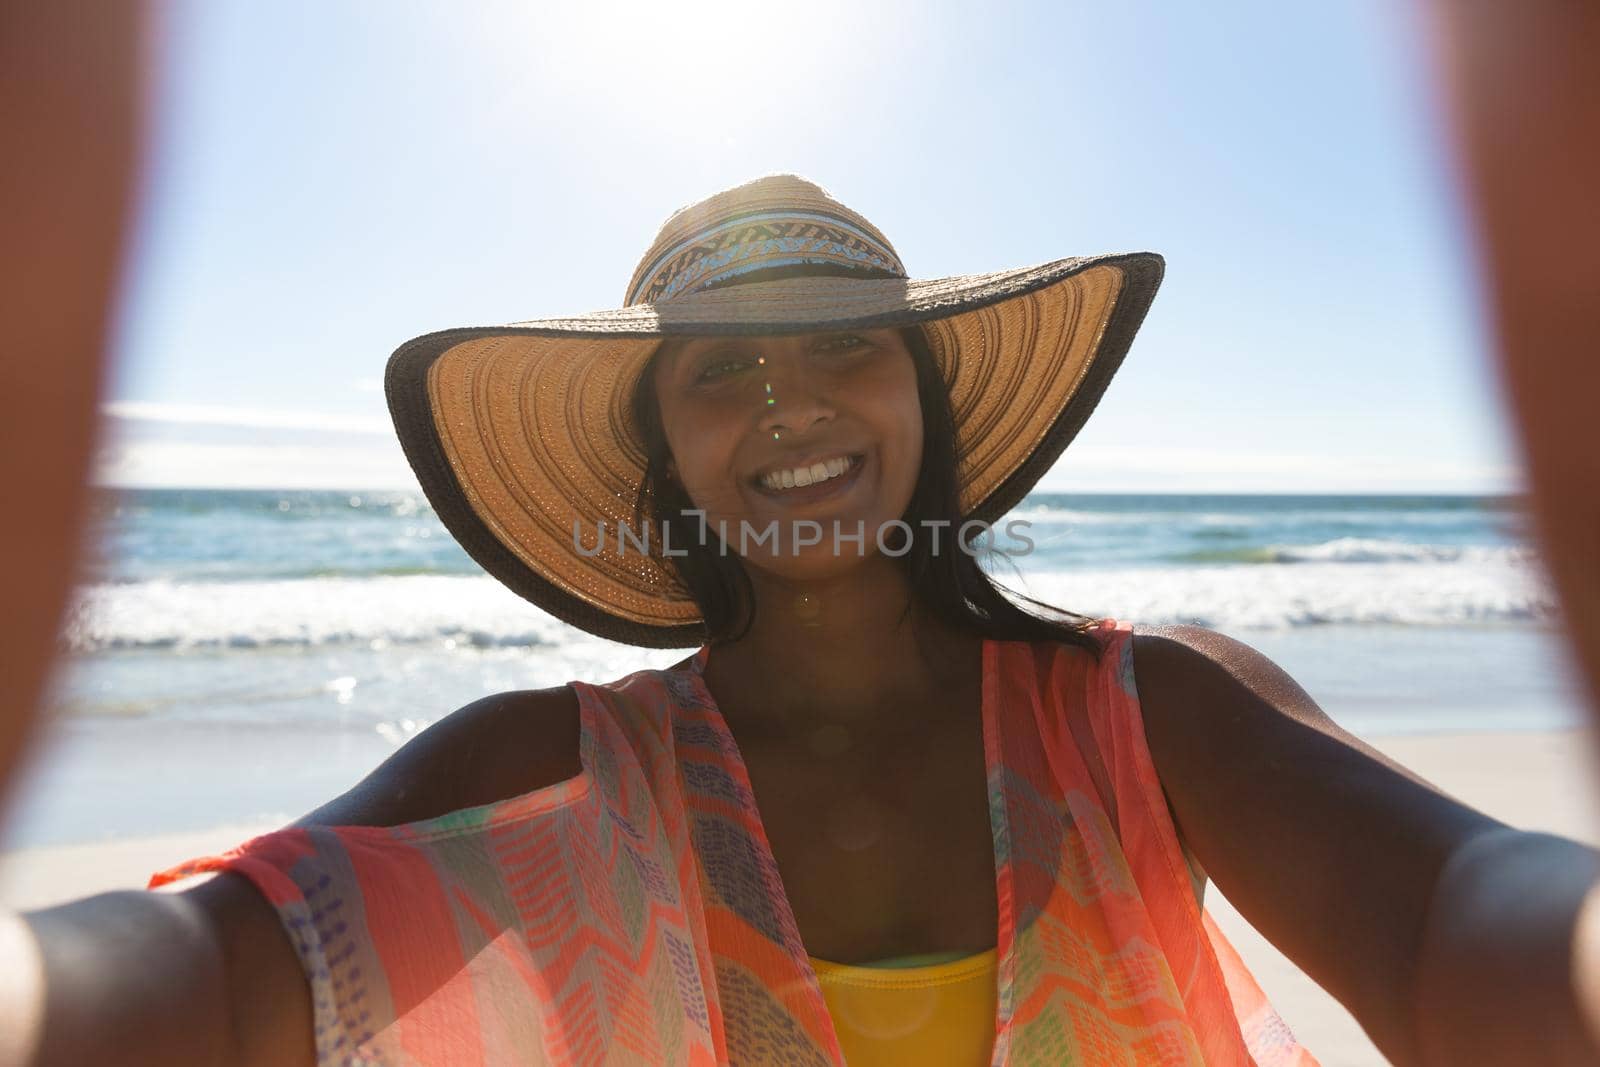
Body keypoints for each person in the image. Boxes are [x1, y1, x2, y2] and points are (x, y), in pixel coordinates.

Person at [8, 175, 1600, 1067]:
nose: (789, 407)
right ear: (671, 459)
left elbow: (1451, 907)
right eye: (719, 373)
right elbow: (215, 967)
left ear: (925, 398)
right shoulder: (538, 763)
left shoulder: (1146, 716)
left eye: (845, 346)